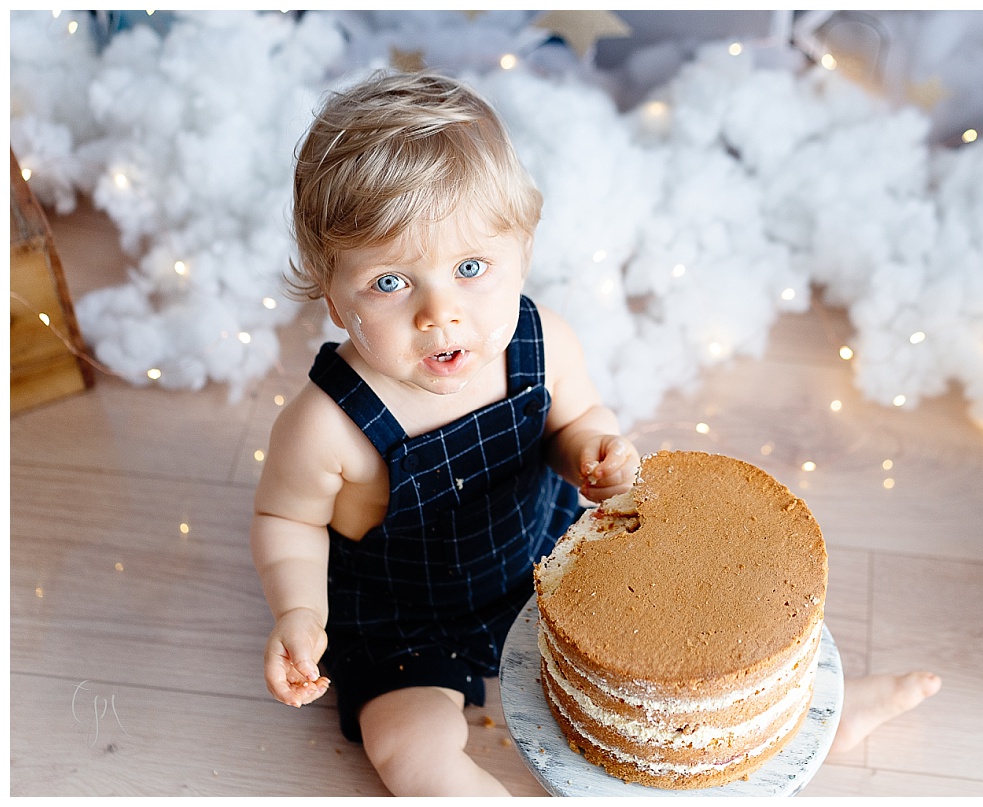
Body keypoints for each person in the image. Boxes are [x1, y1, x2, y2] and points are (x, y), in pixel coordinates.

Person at [251, 69, 938, 797]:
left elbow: (578, 421)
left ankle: (816, 718)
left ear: (523, 248)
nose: (440, 313)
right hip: (409, 618)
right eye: (390, 282)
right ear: (332, 296)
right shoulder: (327, 424)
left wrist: (593, 453)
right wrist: (300, 610)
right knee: (407, 746)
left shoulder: (539, 342)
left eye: (472, 267)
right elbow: (285, 518)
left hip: (554, 564)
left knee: (681, 686)